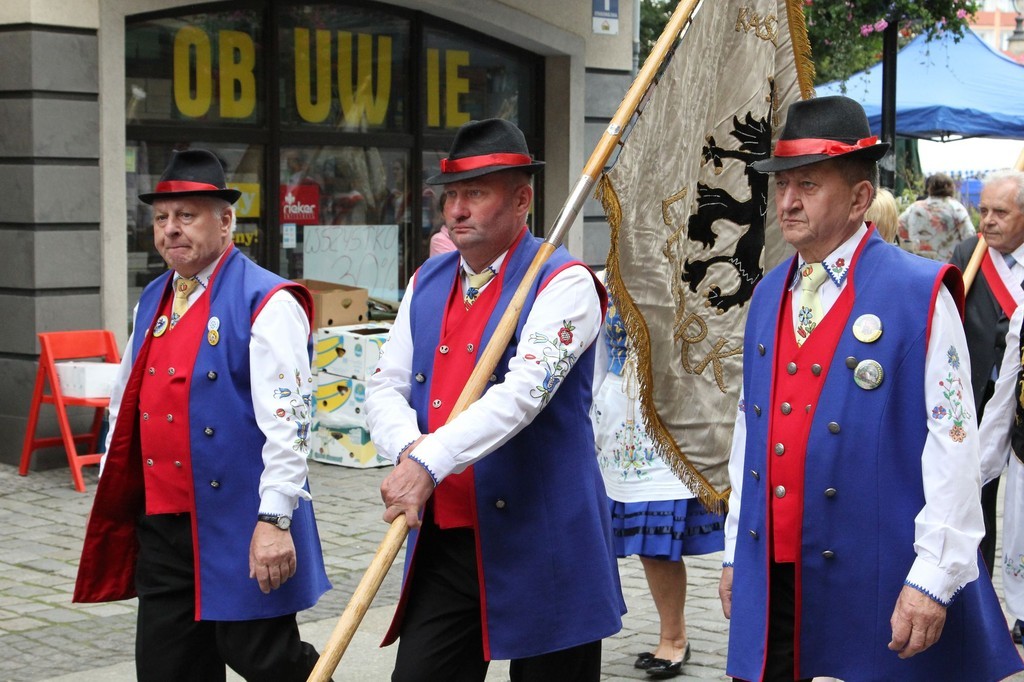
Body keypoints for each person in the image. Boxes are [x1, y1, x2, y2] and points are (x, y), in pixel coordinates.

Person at [717, 96, 1023, 682]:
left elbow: (954, 445)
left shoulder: (919, 292)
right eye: (782, 184)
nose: (787, 201)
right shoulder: (767, 293)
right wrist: (737, 550)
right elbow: (748, 432)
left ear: (860, 199)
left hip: (882, 576)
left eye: (808, 184)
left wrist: (933, 579)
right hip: (775, 572)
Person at [365, 118, 624, 681]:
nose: (456, 210)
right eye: (450, 195)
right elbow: (385, 384)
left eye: (475, 194)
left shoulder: (565, 282)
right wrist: (410, 451)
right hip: (447, 539)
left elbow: (523, 395)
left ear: (522, 200)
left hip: (546, 538)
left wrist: (430, 460)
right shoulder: (427, 281)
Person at [73, 149, 331, 681]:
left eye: (187, 215)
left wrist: (275, 520)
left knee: (266, 660)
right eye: (161, 217)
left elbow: (290, 425)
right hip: (163, 525)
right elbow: (127, 399)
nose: (171, 229)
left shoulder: (267, 300)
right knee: (167, 667)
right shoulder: (153, 298)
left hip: (240, 521)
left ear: (226, 220)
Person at [591, 273, 724, 680]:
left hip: (674, 418)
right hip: (621, 420)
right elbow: (598, 356)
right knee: (643, 540)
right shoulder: (602, 282)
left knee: (657, 535)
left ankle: (675, 637)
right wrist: (593, 412)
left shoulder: (690, 277)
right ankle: (673, 633)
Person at [949, 169, 1024, 583]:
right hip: (976, 394)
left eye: (1001, 212)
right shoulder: (967, 254)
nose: (988, 221)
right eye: (983, 210)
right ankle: (978, 594)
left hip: (1021, 398)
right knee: (975, 495)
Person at [899, 172, 975, 260]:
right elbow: (970, 235)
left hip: (919, 261)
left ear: (930, 188)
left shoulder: (915, 207)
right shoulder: (956, 208)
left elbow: (899, 225)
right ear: (951, 187)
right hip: (947, 262)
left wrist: (913, 242)